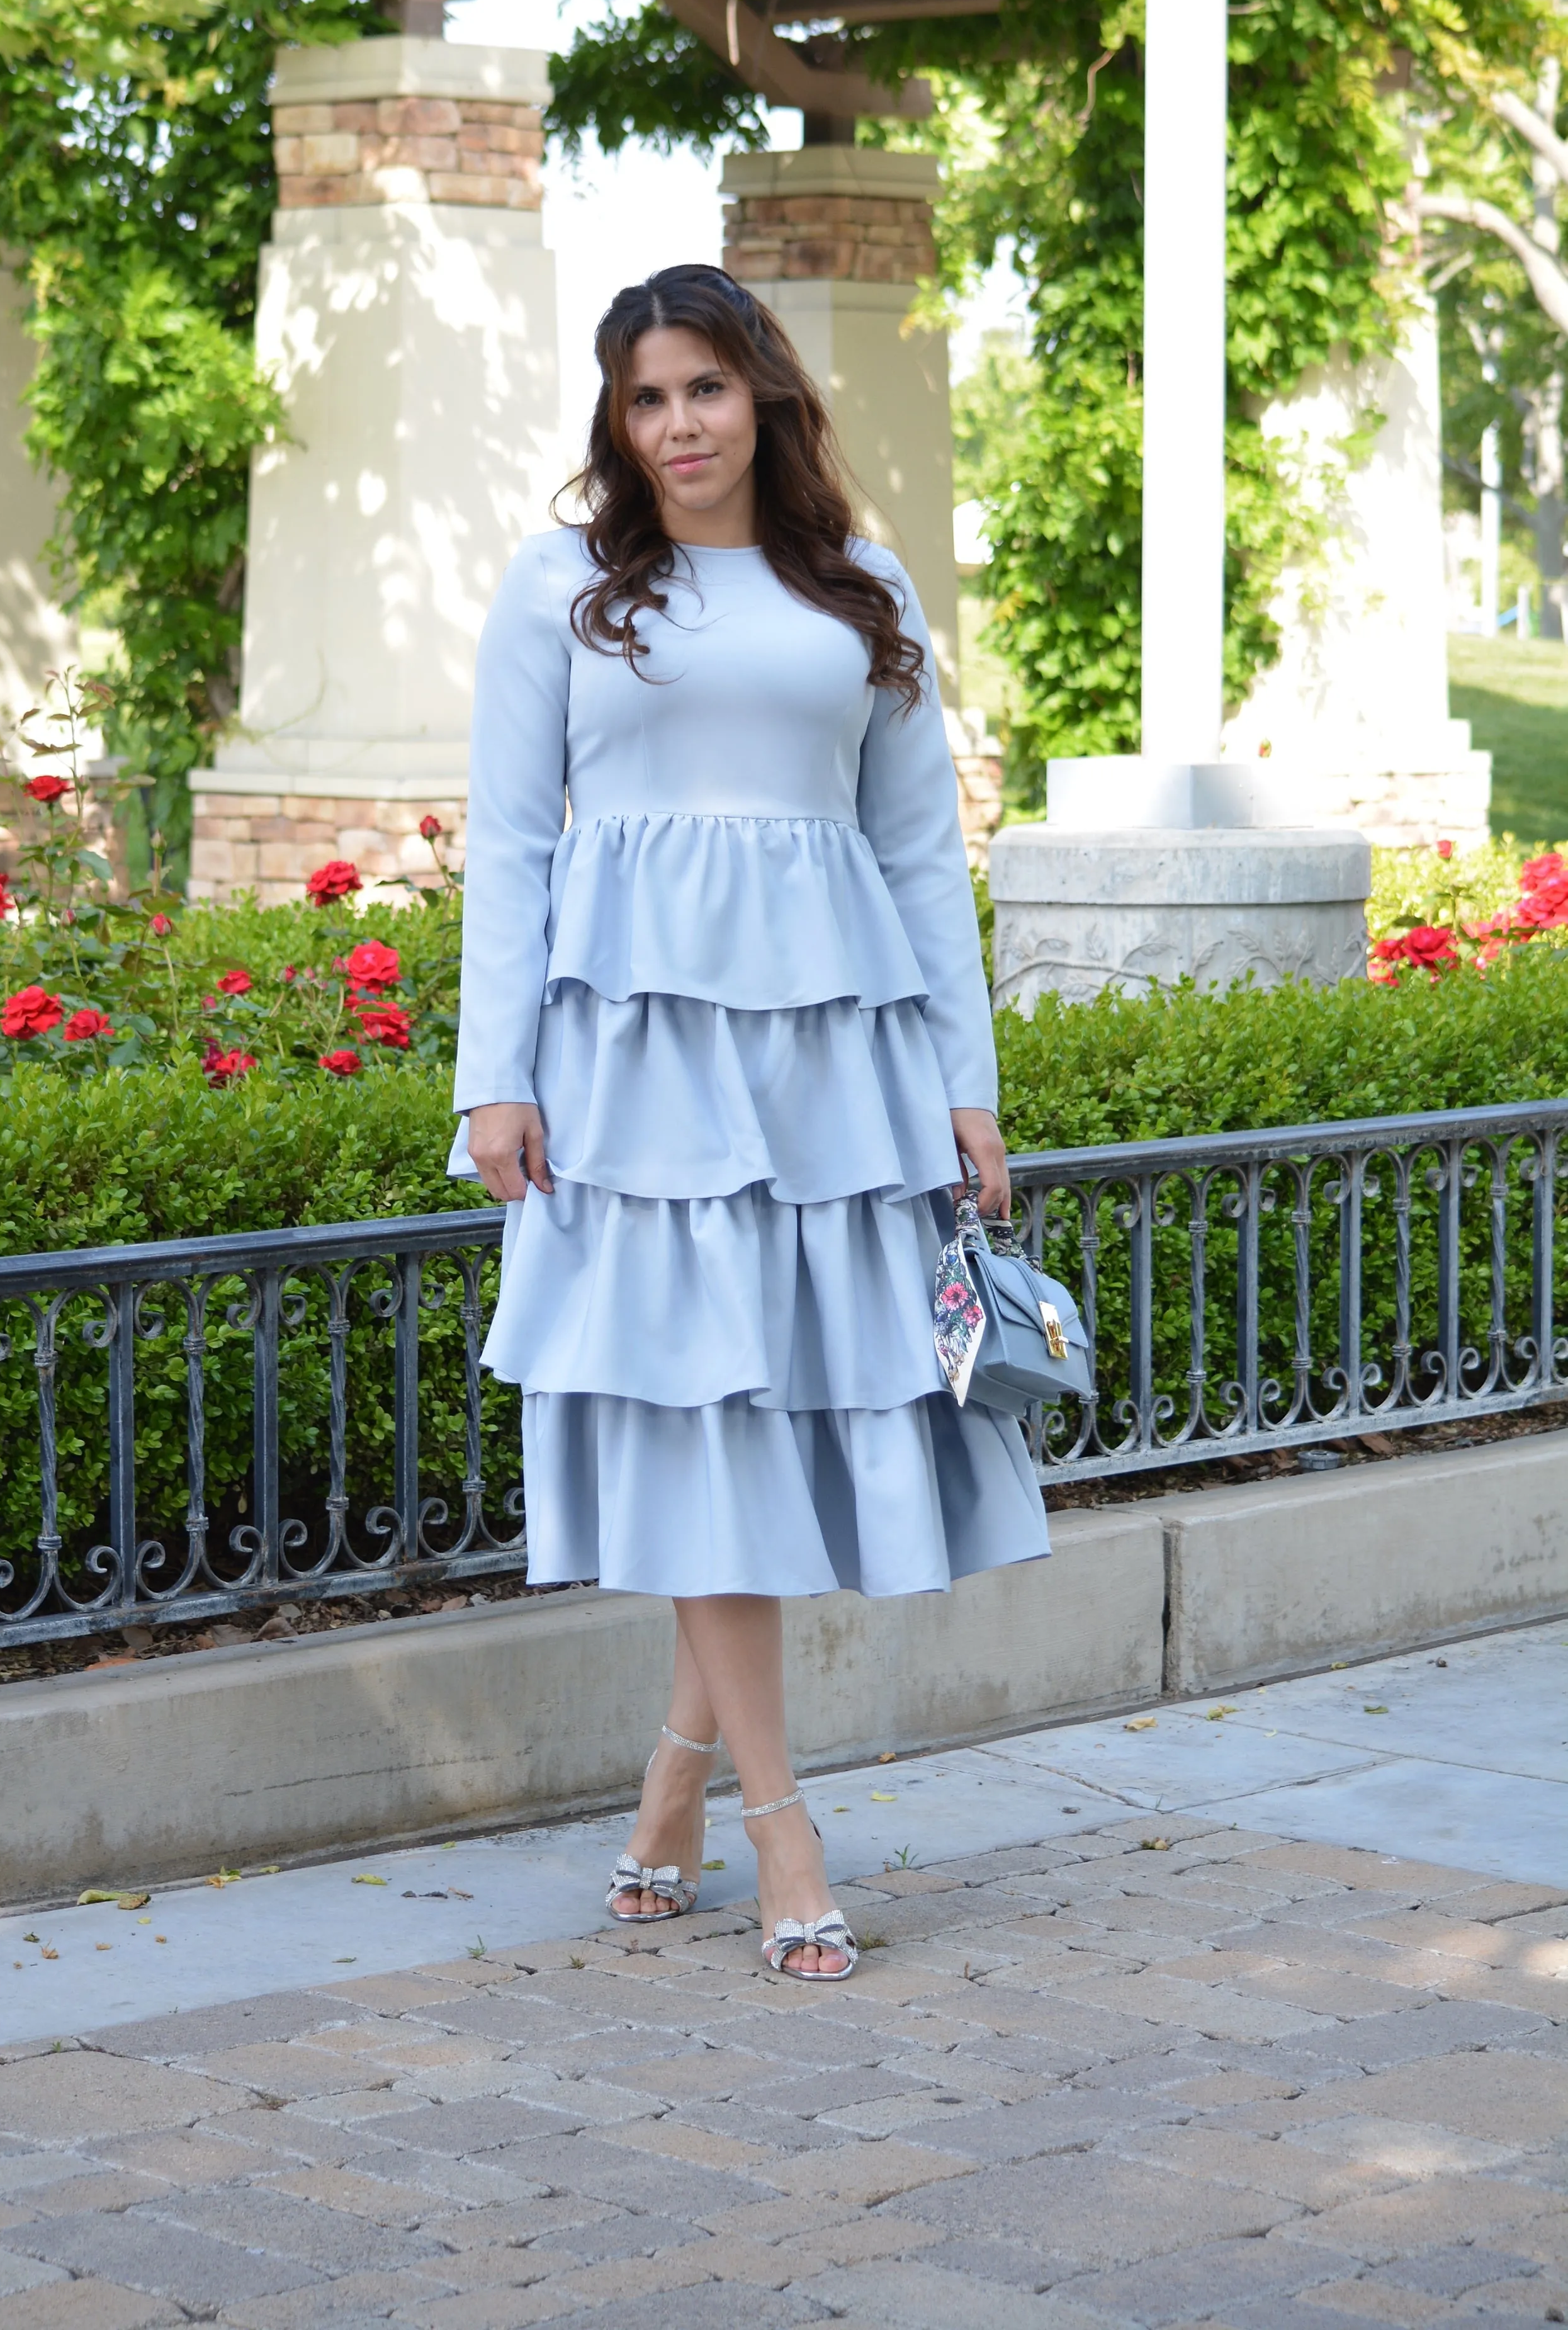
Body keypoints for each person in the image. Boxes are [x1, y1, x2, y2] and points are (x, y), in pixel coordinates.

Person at [451, 263, 1048, 1982]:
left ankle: (671, 1792)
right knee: (714, 1424)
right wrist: (498, 1074)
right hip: (636, 1072)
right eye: (647, 398)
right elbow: (513, 843)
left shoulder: (859, 586)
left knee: (772, 1419)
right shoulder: (560, 586)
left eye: (706, 388)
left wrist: (966, 1091)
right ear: (614, 419)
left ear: (762, 398)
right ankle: (783, 1829)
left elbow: (924, 854)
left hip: (833, 1066)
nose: (679, 426)